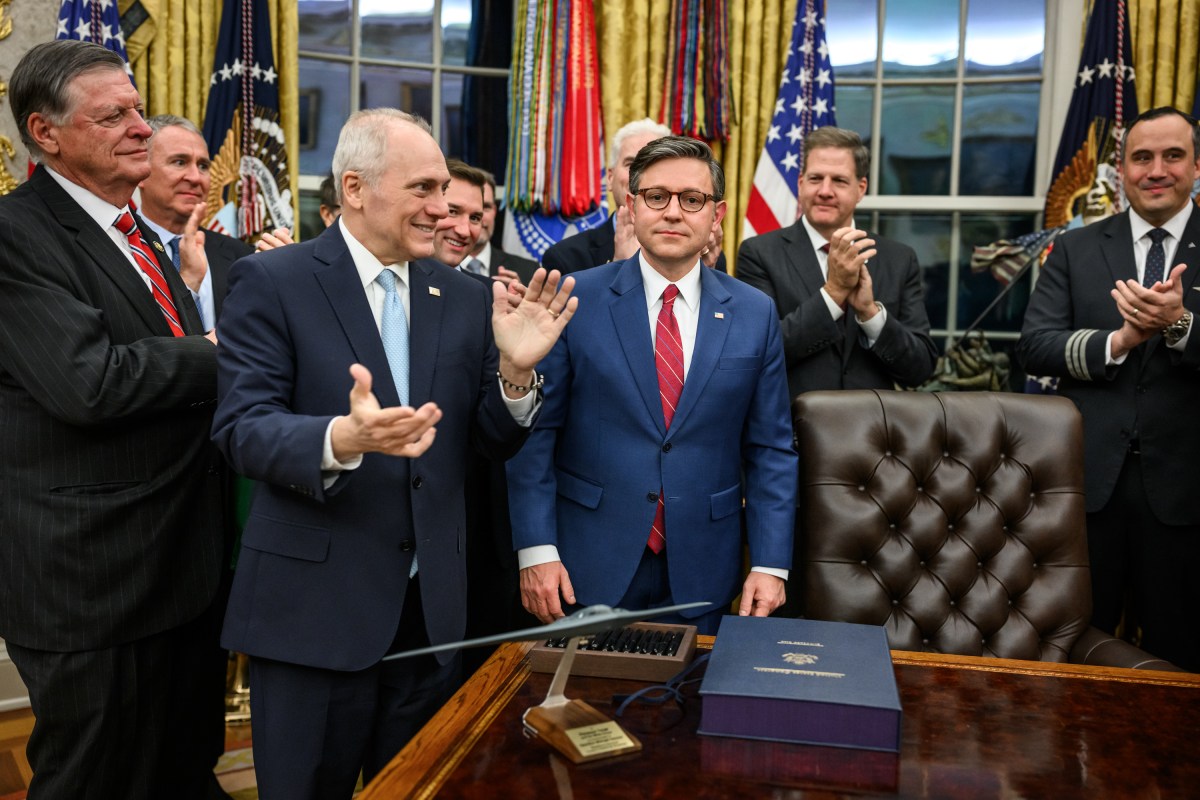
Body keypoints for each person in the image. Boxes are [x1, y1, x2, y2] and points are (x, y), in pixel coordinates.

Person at [211, 108, 576, 798]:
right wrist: (338, 440)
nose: (443, 209)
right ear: (354, 189)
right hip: (313, 618)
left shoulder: (465, 298)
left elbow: (489, 443)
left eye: (445, 189)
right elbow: (242, 428)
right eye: (423, 190)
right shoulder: (274, 281)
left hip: (432, 619)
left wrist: (518, 374)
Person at [0, 40, 227, 799]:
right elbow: (87, 383)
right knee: (94, 780)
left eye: (138, 109)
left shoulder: (137, 236)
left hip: (180, 567)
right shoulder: (16, 235)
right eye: (114, 117)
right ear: (45, 132)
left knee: (181, 770)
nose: (142, 129)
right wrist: (220, 348)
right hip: (89, 582)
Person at [506, 135, 796, 636]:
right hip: (582, 567)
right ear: (631, 205)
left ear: (717, 214)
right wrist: (536, 549)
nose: (673, 213)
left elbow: (771, 448)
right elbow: (536, 436)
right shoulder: (576, 300)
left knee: (686, 710)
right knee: (579, 712)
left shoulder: (755, 312)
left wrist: (770, 565)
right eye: (656, 197)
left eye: (692, 199)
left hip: (704, 567)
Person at [1017, 106, 1200, 672]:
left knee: (1181, 658)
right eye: (1141, 157)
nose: (1156, 170)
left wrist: (1179, 325)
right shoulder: (1076, 247)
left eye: (1173, 155)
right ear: (1120, 169)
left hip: (1188, 494)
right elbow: (1037, 345)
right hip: (1088, 491)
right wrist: (1119, 340)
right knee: (1078, 652)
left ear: (1196, 165)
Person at [415, 158, 535, 673]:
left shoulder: (491, 300)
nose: (464, 228)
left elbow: (503, 424)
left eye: (478, 215)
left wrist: (518, 370)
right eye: (452, 211)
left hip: (480, 526)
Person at [737, 126, 938, 401]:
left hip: (875, 434)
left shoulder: (898, 259)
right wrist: (833, 294)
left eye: (840, 181)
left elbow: (920, 369)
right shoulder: (759, 254)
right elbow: (759, 352)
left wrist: (869, 312)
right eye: (816, 178)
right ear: (800, 183)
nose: (825, 191)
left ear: (861, 188)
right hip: (792, 434)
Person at [540, 118, 727, 273]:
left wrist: (702, 272)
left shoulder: (705, 253)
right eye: (631, 164)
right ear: (610, 177)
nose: (638, 175)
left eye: (652, 165)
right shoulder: (566, 258)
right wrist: (619, 270)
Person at [140, 114, 254, 332]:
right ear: (142, 171)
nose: (195, 177)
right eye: (179, 162)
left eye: (203, 166)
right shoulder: (124, 248)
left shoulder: (242, 256)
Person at [469, 167, 539, 284]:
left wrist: (523, 300)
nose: (480, 216)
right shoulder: (432, 265)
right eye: (473, 208)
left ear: (494, 211)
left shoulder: (529, 271)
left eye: (486, 207)